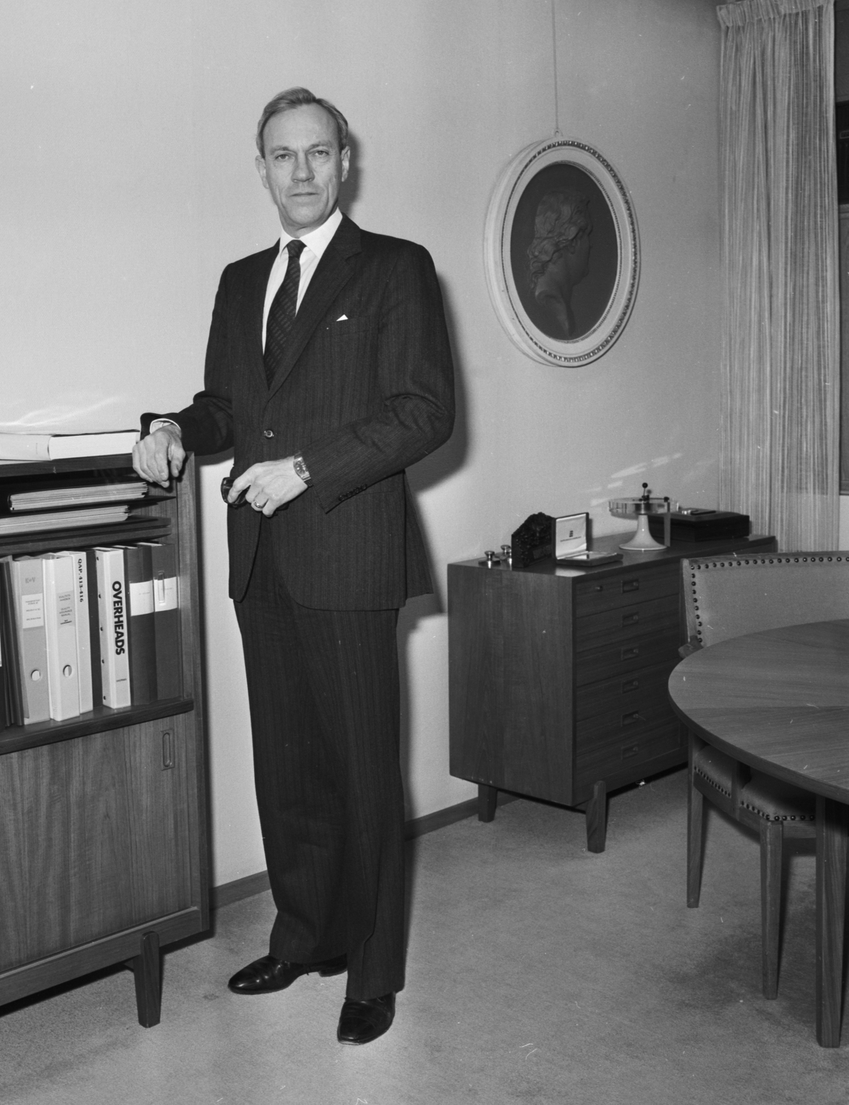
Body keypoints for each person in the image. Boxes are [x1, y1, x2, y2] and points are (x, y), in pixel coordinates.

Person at [132, 87, 455, 1046]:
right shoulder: (241, 281)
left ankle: (373, 973)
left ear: (343, 162)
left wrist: (307, 469)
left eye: (318, 152)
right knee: (288, 768)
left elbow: (424, 411)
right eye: (283, 155)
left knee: (361, 771)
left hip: (348, 552)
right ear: (261, 168)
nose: (301, 171)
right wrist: (173, 429)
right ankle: (305, 936)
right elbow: (225, 407)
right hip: (261, 558)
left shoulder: (394, 268)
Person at [525, 189, 593, 339]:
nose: (590, 246)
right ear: (574, 241)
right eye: (587, 236)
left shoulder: (558, 303)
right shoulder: (546, 303)